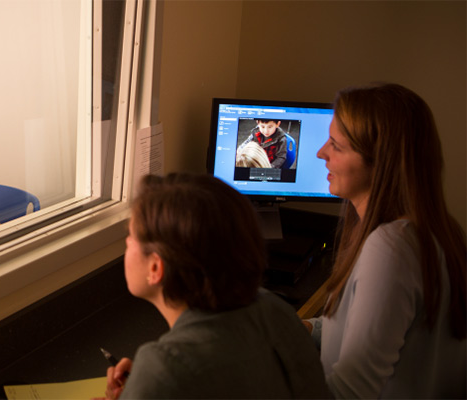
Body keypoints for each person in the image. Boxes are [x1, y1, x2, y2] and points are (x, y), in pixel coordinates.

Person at [102, 173, 330, 399]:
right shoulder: (274, 308)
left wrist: (146, 385)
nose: (127, 242)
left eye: (131, 236)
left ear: (155, 268)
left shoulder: (163, 367)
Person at [305, 83, 466, 398]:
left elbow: (350, 392)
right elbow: (375, 327)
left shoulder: (392, 248)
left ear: (382, 161)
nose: (320, 152)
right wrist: (309, 329)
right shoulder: (444, 230)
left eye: (336, 145)